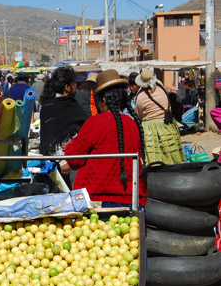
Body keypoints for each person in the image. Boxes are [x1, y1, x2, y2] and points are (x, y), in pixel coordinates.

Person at [65, 69, 147, 208]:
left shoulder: (94, 123)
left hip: (97, 199)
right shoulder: (133, 124)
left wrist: (69, 146)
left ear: (103, 101)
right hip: (130, 200)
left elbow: (74, 159)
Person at [40, 66, 87, 188]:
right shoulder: (50, 106)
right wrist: (62, 161)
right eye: (74, 84)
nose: (76, 87)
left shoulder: (72, 104)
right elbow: (49, 137)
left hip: (76, 159)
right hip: (62, 165)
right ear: (67, 87)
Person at [135, 68, 185, 165]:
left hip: (150, 128)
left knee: (154, 157)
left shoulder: (141, 97)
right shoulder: (160, 86)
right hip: (167, 124)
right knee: (170, 153)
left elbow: (139, 114)